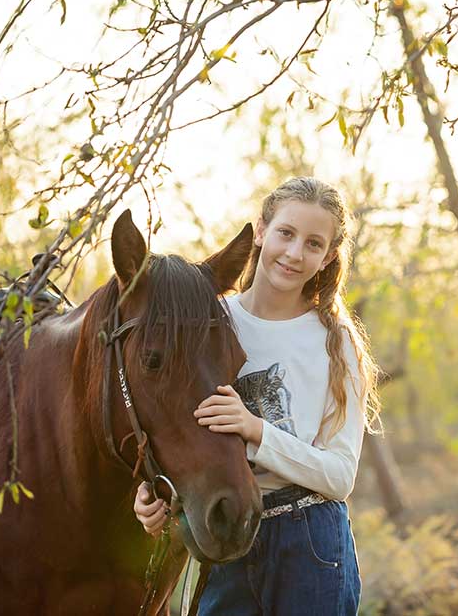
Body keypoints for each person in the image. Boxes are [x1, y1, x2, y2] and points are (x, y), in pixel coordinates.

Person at [133, 177, 380, 616]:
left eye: (313, 244)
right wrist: (152, 496)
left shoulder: (334, 341)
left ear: (327, 257)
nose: (294, 253)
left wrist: (256, 431)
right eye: (285, 233)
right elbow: (173, 425)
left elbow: (341, 476)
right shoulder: (210, 321)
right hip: (226, 533)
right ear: (261, 231)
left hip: (310, 542)